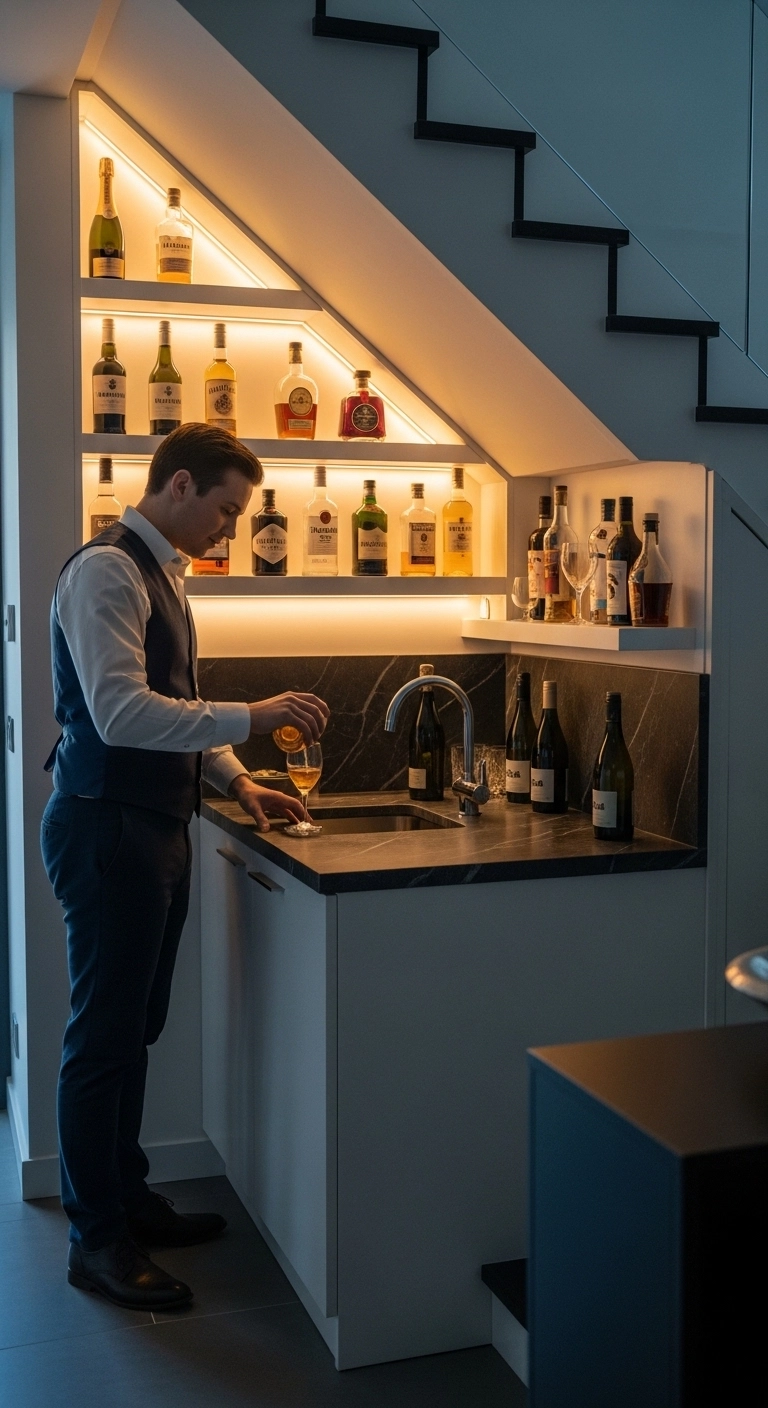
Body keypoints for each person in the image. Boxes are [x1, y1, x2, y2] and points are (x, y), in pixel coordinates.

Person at [40, 423, 329, 1312]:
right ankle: (97, 1241)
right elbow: (124, 714)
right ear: (177, 485)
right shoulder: (105, 571)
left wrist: (241, 785)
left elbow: (176, 701)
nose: (232, 529)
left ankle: (126, 1199)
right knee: (102, 1041)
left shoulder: (160, 573)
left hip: (155, 826)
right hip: (105, 830)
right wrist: (255, 716)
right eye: (227, 510)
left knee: (138, 1029)